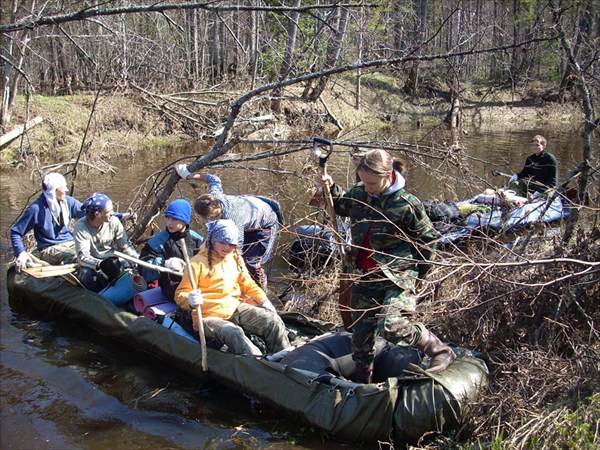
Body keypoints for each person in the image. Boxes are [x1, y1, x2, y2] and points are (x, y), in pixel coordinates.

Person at [320, 148, 455, 383]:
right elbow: (342, 206)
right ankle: (364, 383)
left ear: (387, 175)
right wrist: (331, 189)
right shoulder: (361, 193)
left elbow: (428, 240)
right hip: (366, 275)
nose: (368, 188)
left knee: (392, 326)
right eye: (363, 182)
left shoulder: (406, 204)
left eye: (372, 183)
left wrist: (419, 275)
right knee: (361, 337)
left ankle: (440, 351)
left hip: (398, 275)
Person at [174, 219, 290, 356]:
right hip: (207, 316)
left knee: (272, 320)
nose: (228, 247)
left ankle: (285, 359)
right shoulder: (196, 263)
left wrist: (264, 300)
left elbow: (247, 283)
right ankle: (259, 365)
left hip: (233, 308)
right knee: (234, 333)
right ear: (212, 240)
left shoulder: (235, 258)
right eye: (223, 242)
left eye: (232, 244)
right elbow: (180, 295)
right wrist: (190, 300)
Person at [175, 165, 282, 289]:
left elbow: (238, 247)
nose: (208, 220)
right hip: (250, 216)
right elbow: (213, 179)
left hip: (266, 223)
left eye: (209, 217)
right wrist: (188, 175)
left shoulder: (234, 220)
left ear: (215, 211)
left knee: (250, 261)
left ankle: (261, 287)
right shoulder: (215, 196)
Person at [10, 172, 86, 271]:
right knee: (80, 257)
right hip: (49, 248)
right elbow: (15, 232)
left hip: (70, 242)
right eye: (61, 189)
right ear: (52, 191)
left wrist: (103, 211)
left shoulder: (67, 202)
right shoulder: (36, 208)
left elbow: (86, 212)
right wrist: (21, 253)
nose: (65, 191)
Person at [73, 193, 139, 292]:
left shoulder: (114, 221)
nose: (113, 213)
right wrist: (101, 264)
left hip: (112, 260)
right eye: (109, 211)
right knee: (84, 274)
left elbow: (125, 245)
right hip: (95, 265)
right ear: (97, 214)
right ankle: (102, 297)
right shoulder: (81, 227)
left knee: (129, 266)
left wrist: (137, 260)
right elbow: (83, 257)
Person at [139, 199, 204, 299]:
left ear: (184, 220)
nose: (169, 222)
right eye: (167, 218)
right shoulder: (158, 241)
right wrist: (164, 263)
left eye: (174, 219)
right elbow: (143, 271)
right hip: (172, 289)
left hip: (196, 286)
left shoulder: (198, 240)